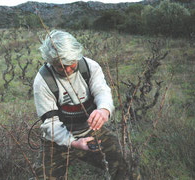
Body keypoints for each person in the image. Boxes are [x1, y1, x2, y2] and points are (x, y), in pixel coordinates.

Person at [33, 30, 127, 180]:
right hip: (57, 139)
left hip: (91, 131)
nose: (67, 70)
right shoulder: (43, 81)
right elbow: (50, 124)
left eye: (71, 64)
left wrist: (103, 110)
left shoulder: (90, 67)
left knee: (124, 164)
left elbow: (102, 91)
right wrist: (73, 143)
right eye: (60, 67)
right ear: (51, 62)